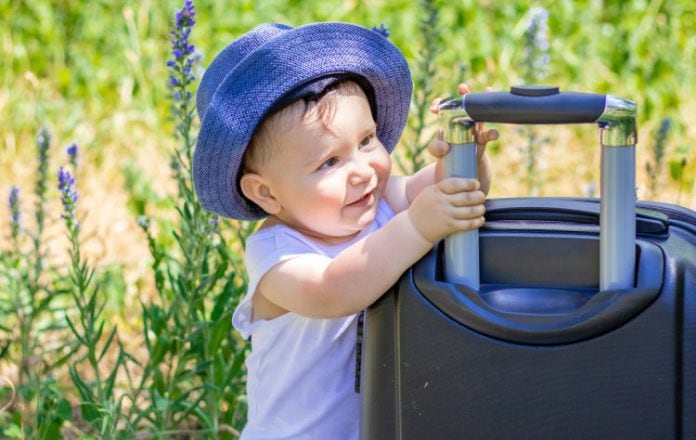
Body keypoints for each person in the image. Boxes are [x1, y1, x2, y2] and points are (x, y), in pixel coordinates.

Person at [192, 22, 497, 440]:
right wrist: (416, 226)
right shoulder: (277, 255)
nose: (362, 170)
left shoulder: (381, 197)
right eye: (329, 163)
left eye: (367, 140)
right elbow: (334, 290)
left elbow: (451, 193)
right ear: (265, 192)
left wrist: (465, 154)